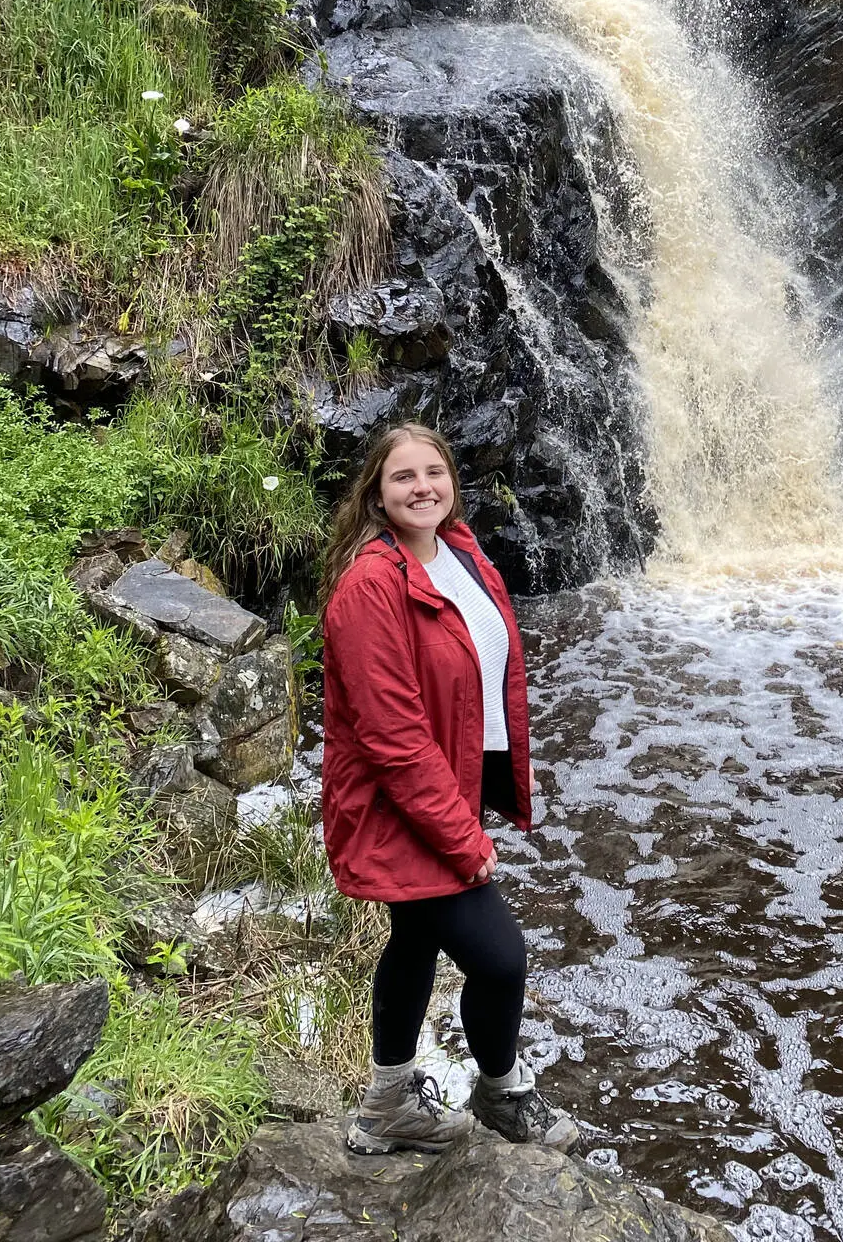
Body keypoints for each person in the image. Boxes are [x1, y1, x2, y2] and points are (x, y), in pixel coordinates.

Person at [319, 420, 578, 1156]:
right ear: (376, 490)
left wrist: (495, 770)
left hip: (442, 785)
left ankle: (385, 1107)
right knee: (500, 959)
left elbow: (489, 666)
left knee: (415, 940)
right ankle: (502, 1096)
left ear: (451, 482)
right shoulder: (370, 587)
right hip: (398, 804)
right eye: (403, 477)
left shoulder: (458, 552)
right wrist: (463, 836)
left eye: (433, 472)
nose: (422, 487)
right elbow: (393, 736)